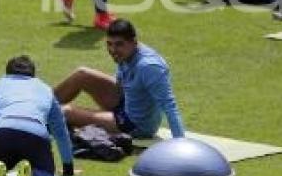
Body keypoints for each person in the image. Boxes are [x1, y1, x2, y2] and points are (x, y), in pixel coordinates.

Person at [54, 19, 186, 139]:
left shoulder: (149, 67)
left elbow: (170, 106)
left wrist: (180, 145)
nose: (113, 50)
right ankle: (37, 107)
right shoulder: (127, 53)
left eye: (119, 44)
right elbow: (122, 82)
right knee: (81, 74)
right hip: (124, 101)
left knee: (65, 112)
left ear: (134, 43)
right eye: (109, 44)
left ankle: (42, 116)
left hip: (136, 125)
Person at [0, 55, 74, 176]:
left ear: (7, 73)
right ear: (33, 74)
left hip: (1, 133)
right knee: (45, 174)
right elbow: (60, 132)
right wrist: (68, 166)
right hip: (35, 136)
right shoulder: (45, 89)